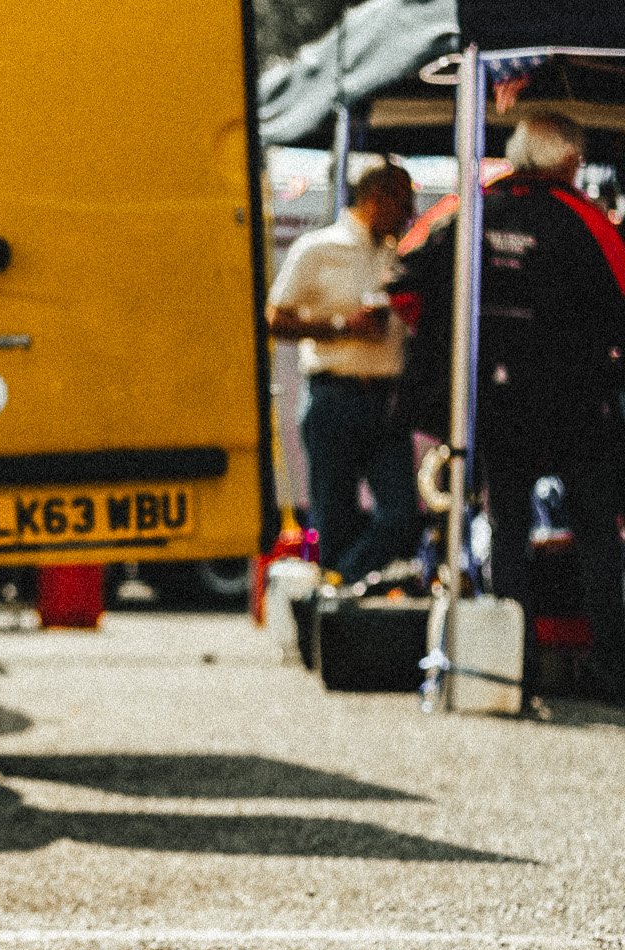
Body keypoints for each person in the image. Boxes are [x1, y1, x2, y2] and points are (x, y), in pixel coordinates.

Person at [392, 113, 625, 704]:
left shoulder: (461, 210)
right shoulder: (586, 218)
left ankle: (508, 667)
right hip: (578, 401)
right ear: (566, 160)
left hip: (493, 404)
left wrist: (457, 349)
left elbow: (402, 286)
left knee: (507, 528)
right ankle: (612, 670)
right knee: (598, 533)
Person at [267, 161, 420, 584]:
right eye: (402, 203)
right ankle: (335, 617)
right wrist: (341, 326)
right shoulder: (317, 248)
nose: (408, 214)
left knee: (402, 516)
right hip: (333, 395)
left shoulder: (398, 255)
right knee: (333, 516)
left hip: (386, 399)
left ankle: (342, 582)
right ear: (377, 199)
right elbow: (274, 319)